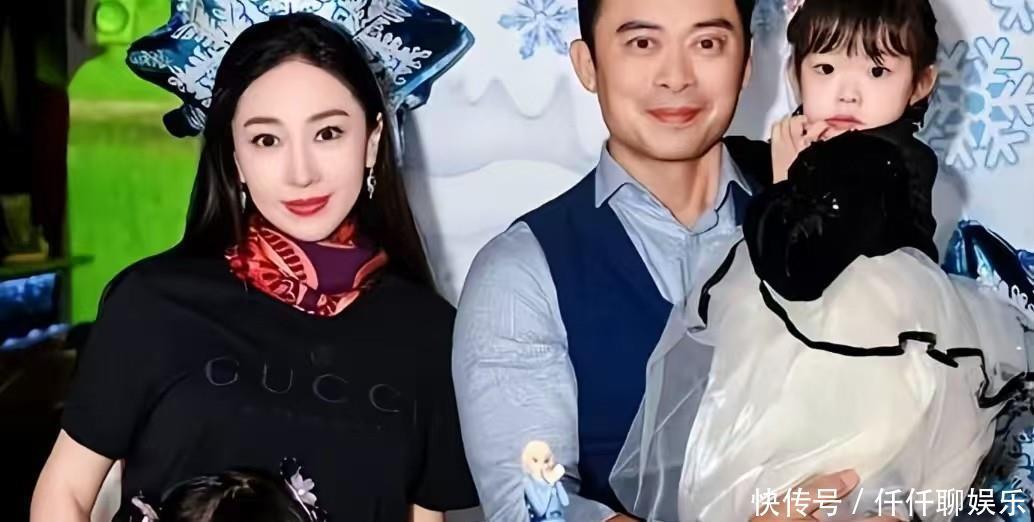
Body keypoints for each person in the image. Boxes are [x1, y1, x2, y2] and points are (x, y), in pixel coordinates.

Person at [31, 13, 477, 522]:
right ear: (235, 156)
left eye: (328, 133)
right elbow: (65, 492)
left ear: (372, 141)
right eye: (267, 140)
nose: (301, 172)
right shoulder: (154, 303)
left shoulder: (427, 332)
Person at [452, 0, 872, 519]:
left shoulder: (830, 228)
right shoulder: (522, 271)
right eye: (642, 43)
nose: (676, 77)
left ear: (746, 64)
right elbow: (533, 506)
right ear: (588, 64)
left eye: (707, 43)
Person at [617, 1, 1030, 520]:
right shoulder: (858, 149)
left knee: (790, 476)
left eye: (877, 71)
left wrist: (785, 184)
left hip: (849, 357)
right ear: (796, 73)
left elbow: (794, 270)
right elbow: (747, 160)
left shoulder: (871, 162)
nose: (847, 92)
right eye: (826, 67)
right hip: (864, 365)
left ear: (921, 83)